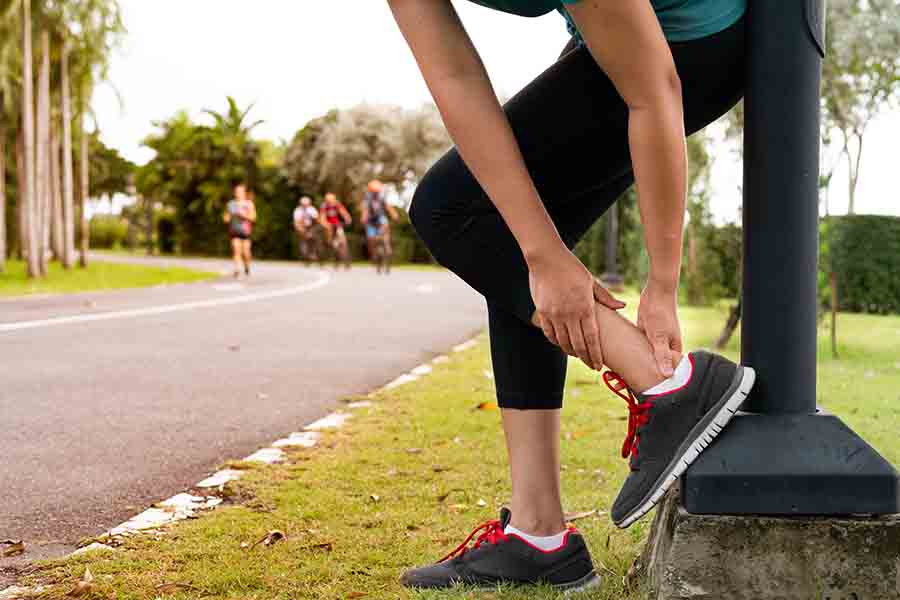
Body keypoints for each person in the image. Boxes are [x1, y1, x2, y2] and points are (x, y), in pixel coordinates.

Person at [388, 0, 754, 591]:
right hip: (617, 42)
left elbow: (654, 88)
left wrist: (662, 283)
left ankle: (671, 387)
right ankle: (539, 536)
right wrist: (542, 254)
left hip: (697, 43)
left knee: (448, 208)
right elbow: (453, 75)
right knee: (510, 237)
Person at [360, 180, 399, 272]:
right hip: (371, 220)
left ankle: (387, 244)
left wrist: (394, 214)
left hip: (380, 218)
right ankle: (373, 254)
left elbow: (388, 207)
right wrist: (364, 217)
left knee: (385, 224)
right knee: (371, 239)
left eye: (377, 191)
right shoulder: (367, 198)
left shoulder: (382, 197)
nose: (376, 193)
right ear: (370, 191)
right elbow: (365, 209)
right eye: (374, 191)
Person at [223, 183, 256, 278]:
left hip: (245, 231)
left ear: (244, 193)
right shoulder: (231, 204)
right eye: (236, 191)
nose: (238, 193)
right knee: (236, 250)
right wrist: (227, 218)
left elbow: (253, 218)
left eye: (240, 191)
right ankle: (237, 269)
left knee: (246, 253)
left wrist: (243, 215)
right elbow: (226, 217)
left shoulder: (249, 204)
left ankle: (247, 267)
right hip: (234, 230)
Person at [319, 192, 353, 268]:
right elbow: (322, 217)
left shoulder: (337, 204)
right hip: (328, 225)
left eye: (332, 200)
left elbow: (344, 213)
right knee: (329, 241)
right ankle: (328, 250)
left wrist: (348, 219)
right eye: (329, 201)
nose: (330, 202)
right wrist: (325, 224)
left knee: (343, 240)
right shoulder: (324, 206)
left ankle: (346, 259)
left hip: (337, 225)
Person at [293, 196, 320, 264]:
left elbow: (317, 219)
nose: (305, 206)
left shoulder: (312, 209)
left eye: (306, 204)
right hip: (302, 226)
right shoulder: (298, 210)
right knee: (303, 237)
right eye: (303, 204)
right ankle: (304, 253)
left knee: (314, 237)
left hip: (311, 226)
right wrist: (300, 228)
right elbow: (296, 221)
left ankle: (314, 253)